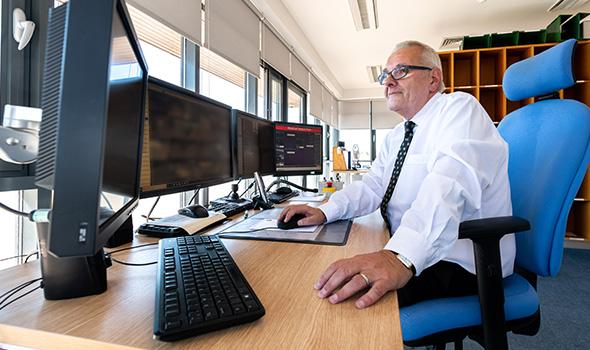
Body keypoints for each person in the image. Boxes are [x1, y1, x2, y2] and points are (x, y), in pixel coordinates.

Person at [278, 40, 515, 309]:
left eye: (400, 71)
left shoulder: (460, 110)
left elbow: (448, 186)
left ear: (433, 79)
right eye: (385, 75)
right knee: (324, 271)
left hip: (461, 260)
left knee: (335, 299)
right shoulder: (397, 135)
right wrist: (326, 210)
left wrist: (399, 257)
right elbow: (373, 186)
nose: (388, 82)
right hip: (411, 245)